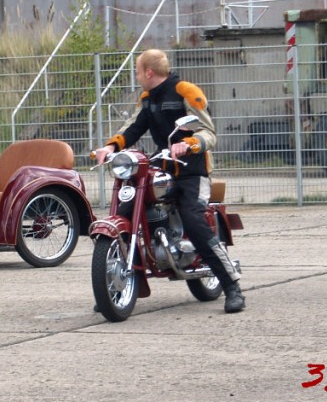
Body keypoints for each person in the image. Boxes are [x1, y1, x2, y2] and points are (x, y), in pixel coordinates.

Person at [92, 49, 246, 313]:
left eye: (138, 71)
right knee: (126, 206)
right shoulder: (147, 98)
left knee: (194, 221)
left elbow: (209, 132)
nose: (137, 75)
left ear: (149, 72)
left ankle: (232, 287)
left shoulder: (185, 91)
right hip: (161, 167)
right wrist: (110, 148)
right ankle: (111, 287)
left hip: (192, 172)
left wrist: (188, 144)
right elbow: (133, 127)